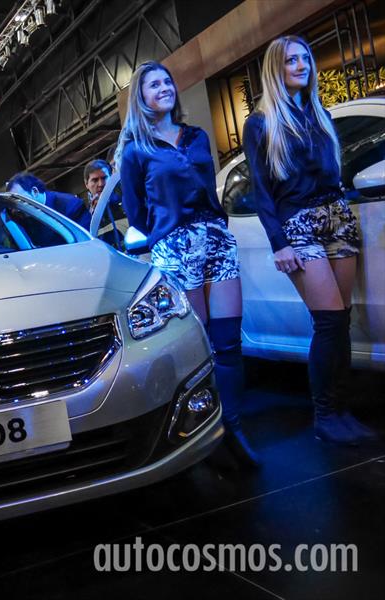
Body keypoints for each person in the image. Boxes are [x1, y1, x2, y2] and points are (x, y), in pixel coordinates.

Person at [118, 61, 258, 467]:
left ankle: (234, 427)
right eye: (153, 85)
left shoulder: (196, 136)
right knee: (199, 348)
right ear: (141, 97)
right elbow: (136, 213)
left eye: (167, 82)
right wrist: (168, 233)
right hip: (175, 249)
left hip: (216, 239)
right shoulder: (136, 150)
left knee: (229, 342)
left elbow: (208, 187)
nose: (164, 88)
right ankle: (203, 433)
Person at [242, 36, 372, 445]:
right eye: (291, 61)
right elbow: (261, 190)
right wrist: (278, 243)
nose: (301, 66)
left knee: (342, 321)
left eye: (305, 59)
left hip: (338, 217)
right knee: (328, 322)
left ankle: (342, 410)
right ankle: (325, 415)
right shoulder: (261, 123)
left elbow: (335, 175)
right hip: (298, 225)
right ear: (275, 69)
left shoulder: (320, 115)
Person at [6, 172, 91, 230]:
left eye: (19, 199)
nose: (16, 208)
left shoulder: (71, 205)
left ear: (35, 191)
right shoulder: (22, 217)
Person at [83, 159, 123, 247]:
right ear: (86, 184)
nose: (101, 184)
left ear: (111, 177)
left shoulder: (125, 202)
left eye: (104, 178)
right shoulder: (84, 213)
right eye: (95, 180)